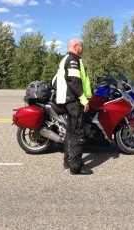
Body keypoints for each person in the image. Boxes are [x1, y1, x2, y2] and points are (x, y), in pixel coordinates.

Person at [53, 38, 93, 175]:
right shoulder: (73, 60)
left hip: (68, 100)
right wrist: (84, 100)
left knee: (70, 131)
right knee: (78, 133)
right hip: (73, 100)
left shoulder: (67, 59)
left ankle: (68, 161)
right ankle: (76, 167)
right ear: (76, 46)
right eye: (82, 45)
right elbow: (74, 82)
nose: (83, 47)